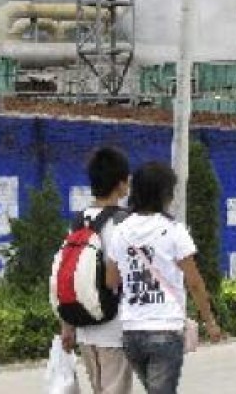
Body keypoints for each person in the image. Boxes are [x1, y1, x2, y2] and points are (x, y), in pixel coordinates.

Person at [105, 162, 223, 394]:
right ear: (164, 194)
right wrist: (209, 321)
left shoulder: (119, 231)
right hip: (165, 329)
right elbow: (195, 283)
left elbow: (111, 281)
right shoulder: (174, 230)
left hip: (131, 332)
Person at [61, 146, 134, 394]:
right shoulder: (123, 223)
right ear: (121, 184)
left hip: (84, 326)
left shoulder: (78, 221)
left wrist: (67, 325)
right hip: (113, 328)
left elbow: (68, 275)